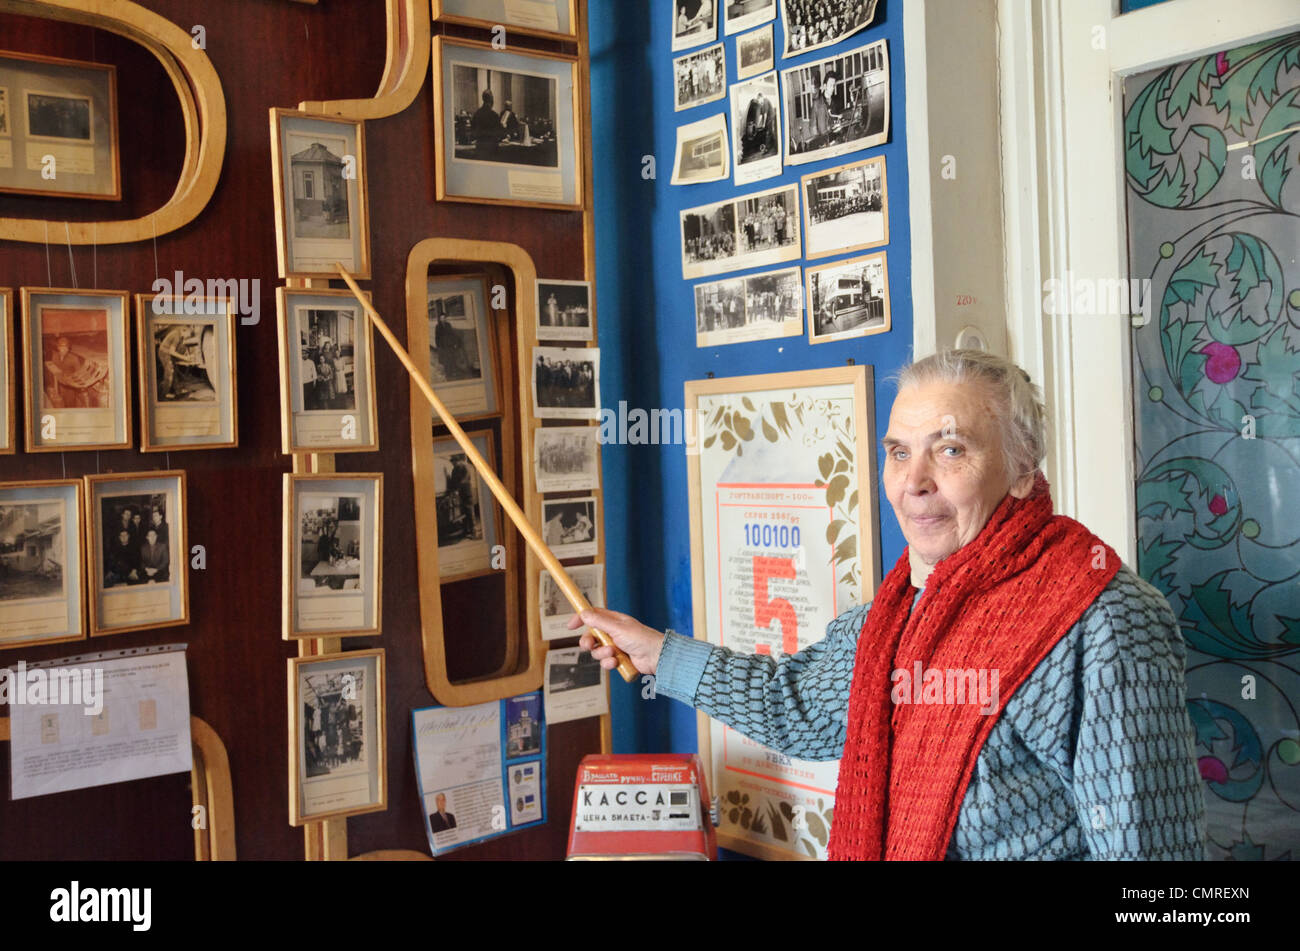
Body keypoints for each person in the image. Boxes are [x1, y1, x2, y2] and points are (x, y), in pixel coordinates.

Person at [574, 349, 1208, 861]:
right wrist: (656, 652)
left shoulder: (1106, 621)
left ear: (1021, 470)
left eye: (951, 450)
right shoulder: (898, 608)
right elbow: (798, 708)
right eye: (899, 452)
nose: (914, 482)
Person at [470, 89, 506, 159]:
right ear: (491, 100)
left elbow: (473, 131)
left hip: (480, 147)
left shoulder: (477, 114)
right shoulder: (494, 115)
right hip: (492, 148)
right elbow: (500, 133)